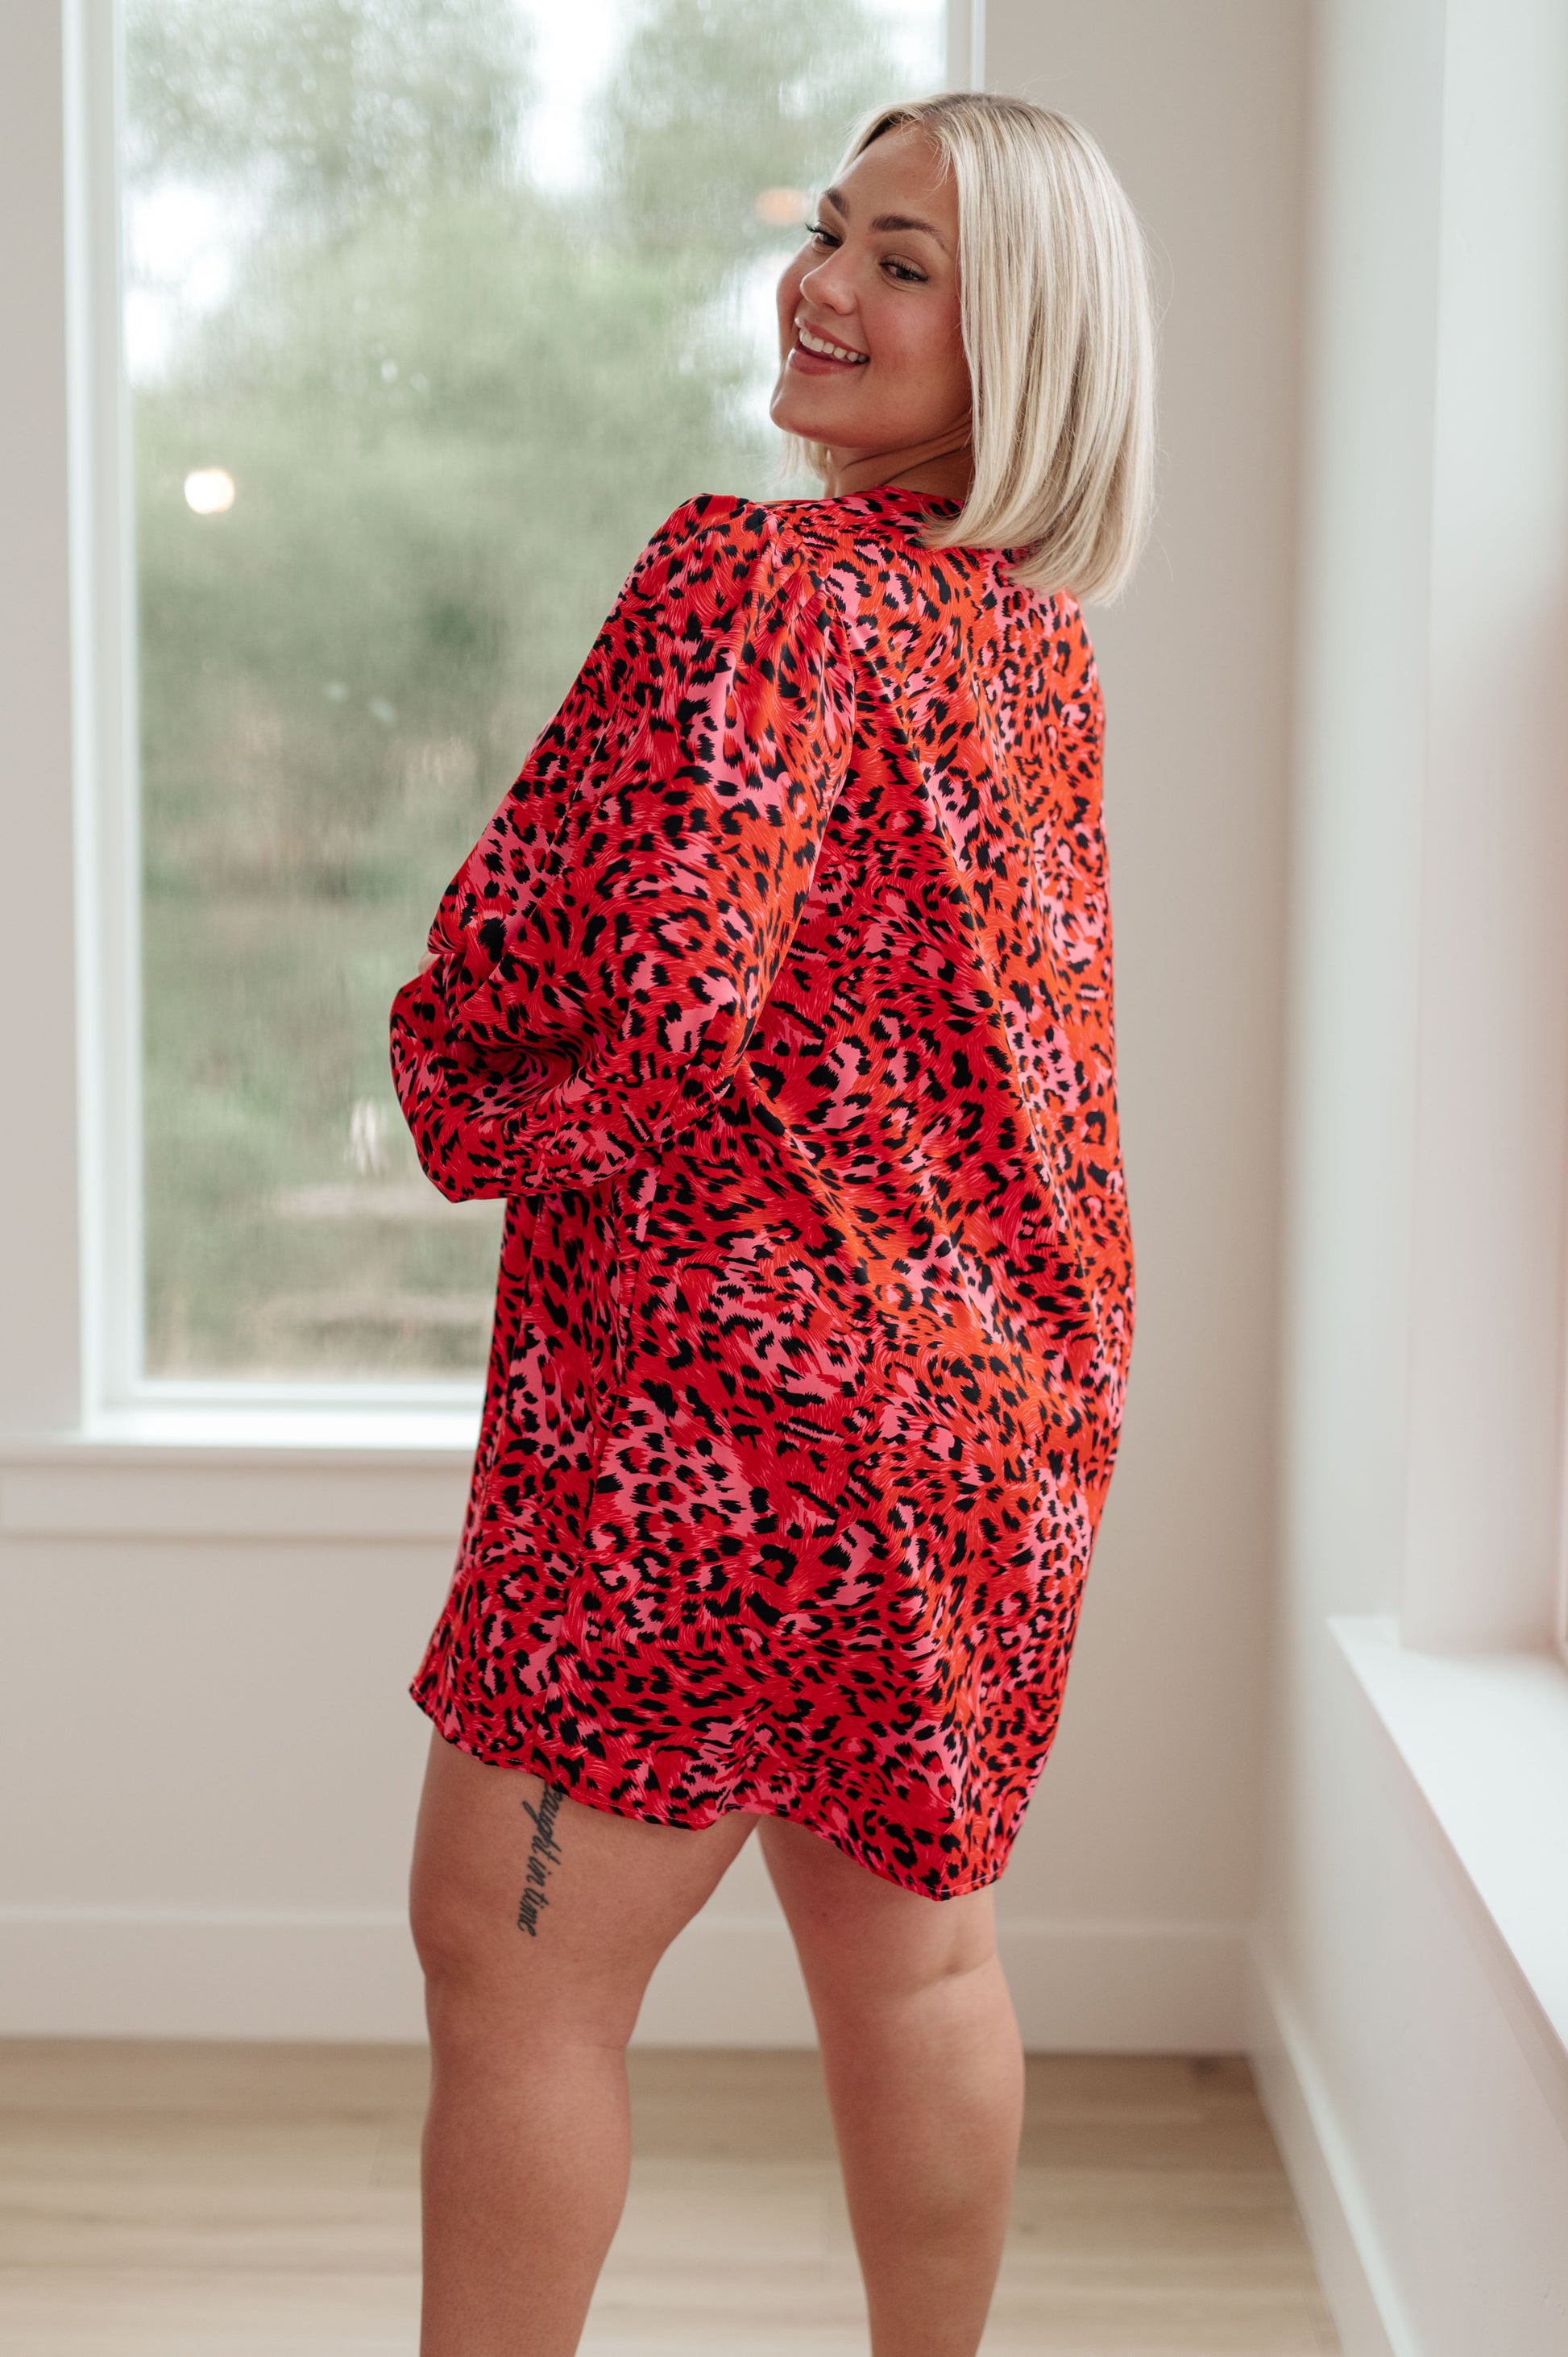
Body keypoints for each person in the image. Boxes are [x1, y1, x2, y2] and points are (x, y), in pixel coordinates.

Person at [390, 87, 1155, 2357]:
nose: (823, 285)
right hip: (987, 1419)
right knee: (915, 1965)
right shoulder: (1025, 640)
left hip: (716, 1415)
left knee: (514, 1977)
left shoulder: (762, 577)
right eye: (833, 228)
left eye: (905, 263)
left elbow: (649, 999)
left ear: (1020, 341)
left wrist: (463, 1069)